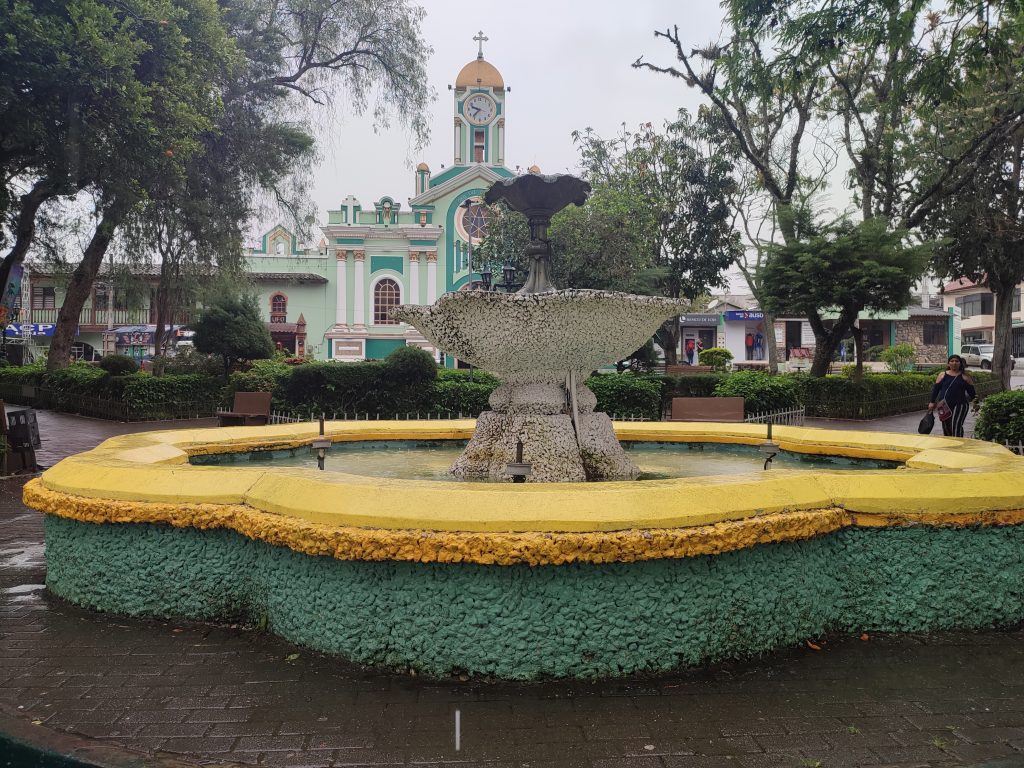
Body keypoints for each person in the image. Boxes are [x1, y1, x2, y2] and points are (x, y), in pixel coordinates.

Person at [928, 355, 976, 437]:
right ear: (948, 364)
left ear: (960, 363)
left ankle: (958, 446)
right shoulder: (942, 375)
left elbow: (972, 393)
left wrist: (976, 403)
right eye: (952, 361)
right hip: (943, 405)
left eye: (957, 361)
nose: (954, 363)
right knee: (946, 427)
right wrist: (932, 402)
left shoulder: (965, 376)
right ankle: (949, 445)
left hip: (960, 405)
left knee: (956, 425)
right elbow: (936, 389)